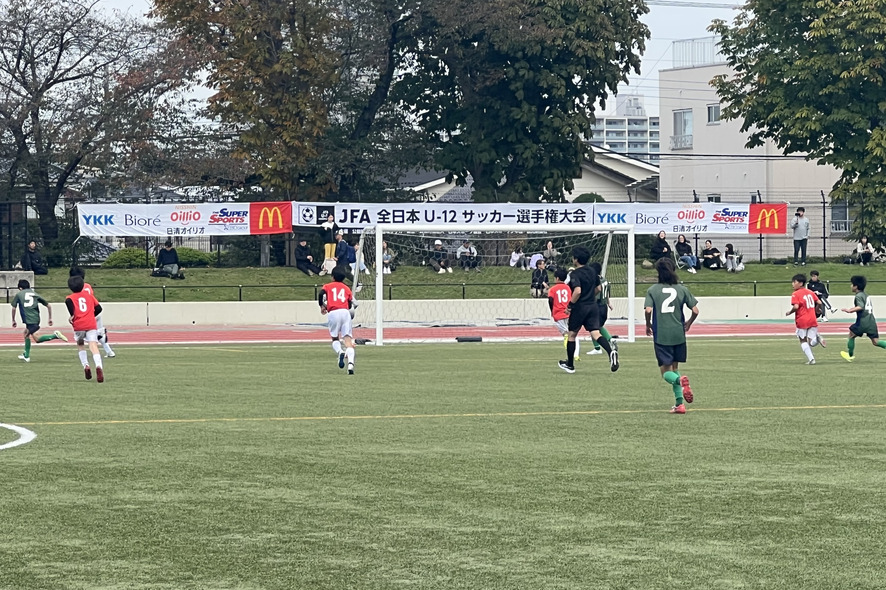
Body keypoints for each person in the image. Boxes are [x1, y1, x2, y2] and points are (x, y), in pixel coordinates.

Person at [644, 257, 699, 414]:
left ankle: (680, 381)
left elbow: (648, 310)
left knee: (666, 372)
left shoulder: (652, 290)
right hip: (678, 334)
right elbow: (695, 310)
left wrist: (648, 324)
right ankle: (679, 404)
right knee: (675, 368)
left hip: (662, 334)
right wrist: (689, 323)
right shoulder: (682, 289)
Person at [557, 246, 617, 374]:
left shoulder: (575, 274)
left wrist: (570, 306)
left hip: (580, 307)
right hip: (593, 306)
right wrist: (590, 296)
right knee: (596, 333)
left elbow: (577, 291)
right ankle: (610, 352)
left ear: (576, 259)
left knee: (572, 335)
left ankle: (570, 364)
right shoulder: (592, 271)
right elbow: (599, 288)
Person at [10, 279, 67, 362]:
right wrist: (50, 318)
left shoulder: (19, 294)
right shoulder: (34, 294)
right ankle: (26, 355)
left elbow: (13, 308)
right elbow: (49, 305)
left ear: (20, 288)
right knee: (26, 334)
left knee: (37, 339)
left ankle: (55, 335)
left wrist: (13, 320)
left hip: (29, 319)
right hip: (35, 318)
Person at [65, 275, 105, 382]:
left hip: (78, 325)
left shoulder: (69, 298)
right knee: (93, 345)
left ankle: (86, 365)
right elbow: (99, 308)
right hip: (90, 323)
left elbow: (72, 312)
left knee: (80, 344)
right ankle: (98, 366)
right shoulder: (89, 296)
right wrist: (91, 315)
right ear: (83, 285)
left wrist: (72, 317)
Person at [70, 267, 116, 358]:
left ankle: (87, 354)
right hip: (95, 311)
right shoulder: (87, 286)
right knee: (99, 332)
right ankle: (109, 351)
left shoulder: (77, 288)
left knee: (85, 336)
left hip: (86, 314)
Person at [319, 267, 357, 375]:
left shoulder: (328, 286)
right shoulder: (346, 288)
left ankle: (340, 352)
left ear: (332, 277)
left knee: (335, 338)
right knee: (348, 340)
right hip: (345, 313)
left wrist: (322, 305)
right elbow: (350, 302)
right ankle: (350, 364)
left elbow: (321, 294)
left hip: (333, 312)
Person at [840, 275, 886, 362]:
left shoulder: (858, 296)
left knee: (851, 334)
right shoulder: (865, 295)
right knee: (876, 341)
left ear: (856, 286)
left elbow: (860, 306)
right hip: (871, 321)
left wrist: (849, 310)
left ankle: (850, 355)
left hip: (863, 321)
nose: (851, 286)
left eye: (852, 284)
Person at [786, 273, 826, 365]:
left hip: (802, 320)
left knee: (803, 340)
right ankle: (817, 339)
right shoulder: (810, 292)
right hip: (812, 318)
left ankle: (811, 359)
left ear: (800, 283)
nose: (792, 284)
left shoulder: (795, 294)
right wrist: (817, 310)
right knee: (811, 342)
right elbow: (819, 302)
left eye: (794, 282)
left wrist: (790, 312)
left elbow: (796, 307)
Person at [586, 262, 616, 356]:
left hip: (597, 306)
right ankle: (610, 339)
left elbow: (597, 295)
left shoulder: (595, 281)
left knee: (593, 328)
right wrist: (609, 303)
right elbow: (607, 293)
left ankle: (598, 347)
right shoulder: (605, 280)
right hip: (604, 306)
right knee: (598, 327)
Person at [548, 268, 580, 358]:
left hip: (558, 314)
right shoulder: (568, 288)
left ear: (557, 278)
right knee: (572, 333)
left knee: (566, 335)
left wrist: (552, 311)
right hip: (568, 313)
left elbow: (550, 300)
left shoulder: (553, 289)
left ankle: (572, 354)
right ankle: (576, 354)